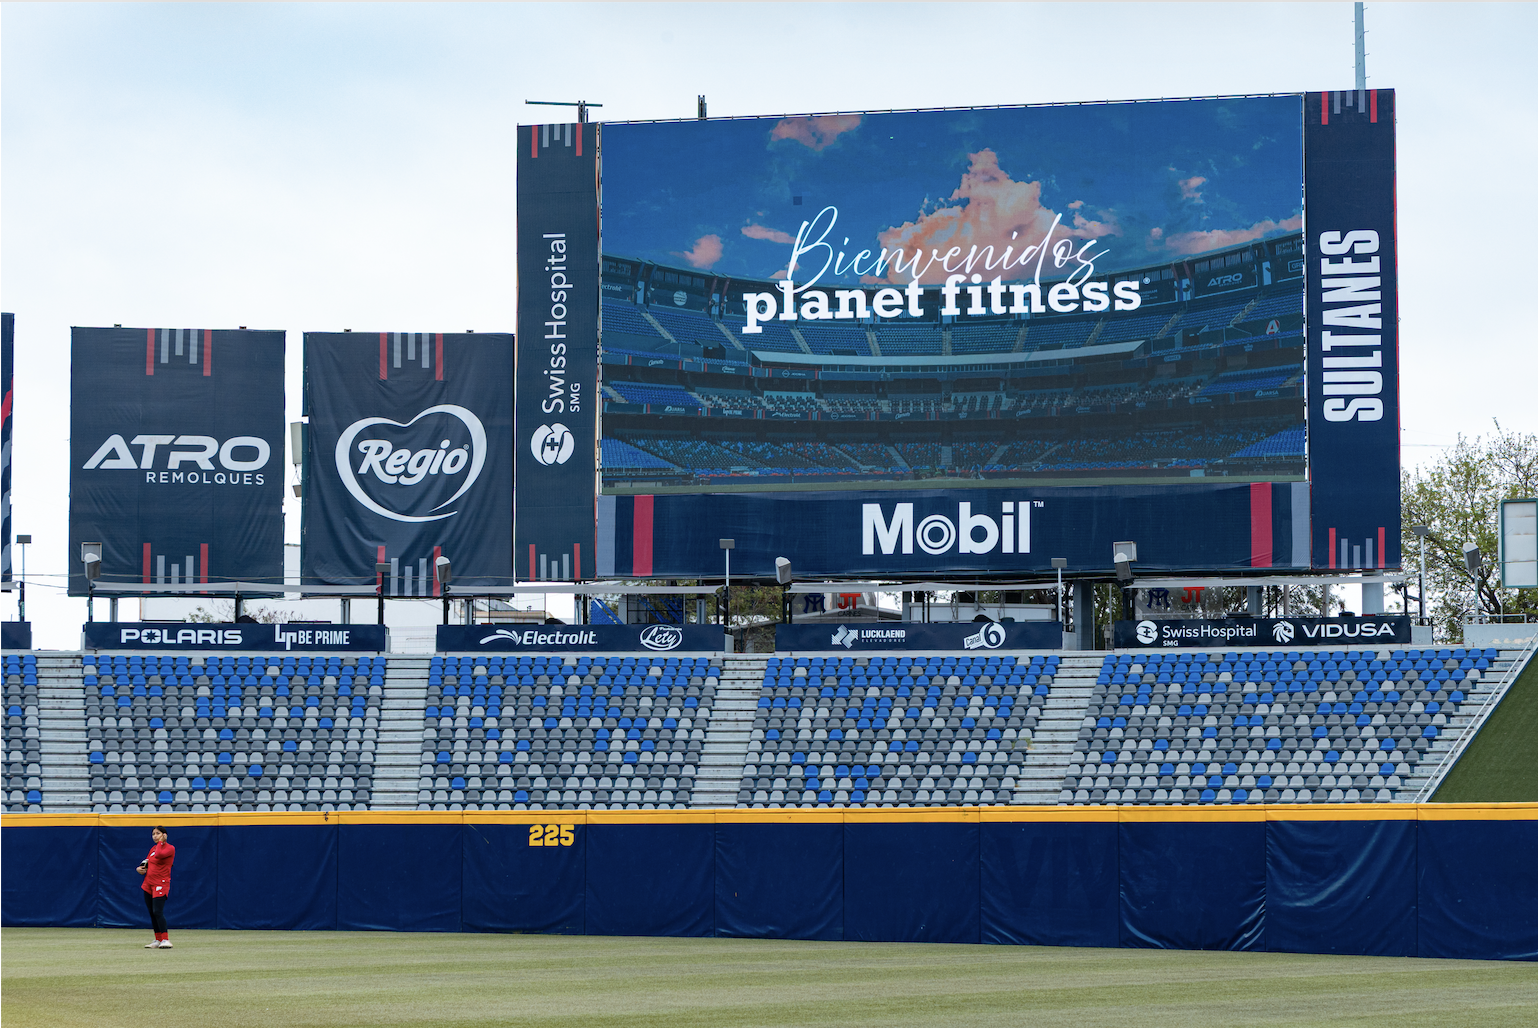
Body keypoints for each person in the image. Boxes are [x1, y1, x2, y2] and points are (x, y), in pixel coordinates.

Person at [136, 825, 175, 949]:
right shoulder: (153, 848)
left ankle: (165, 939)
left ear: (164, 835)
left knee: (158, 911)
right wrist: (139, 869)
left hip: (160, 883)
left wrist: (161, 843)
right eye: (153, 834)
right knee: (152, 912)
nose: (155, 836)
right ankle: (158, 940)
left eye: (158, 833)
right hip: (148, 883)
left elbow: (159, 855)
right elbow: (147, 862)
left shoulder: (170, 848)